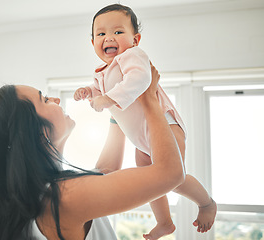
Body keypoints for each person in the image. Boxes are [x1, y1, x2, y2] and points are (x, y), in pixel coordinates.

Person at [0, 65, 185, 240]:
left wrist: (118, 107)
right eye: (45, 100)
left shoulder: (46, 194)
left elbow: (104, 172)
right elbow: (171, 173)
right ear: (32, 131)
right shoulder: (63, 197)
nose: (55, 99)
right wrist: (149, 99)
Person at [74, 4, 217, 239]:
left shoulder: (133, 56)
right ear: (93, 43)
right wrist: (88, 92)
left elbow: (140, 80)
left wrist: (107, 99)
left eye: (118, 32)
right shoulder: (102, 72)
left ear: (135, 39)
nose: (109, 37)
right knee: (151, 179)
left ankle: (206, 203)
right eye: (101, 34)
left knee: (174, 177)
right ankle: (165, 222)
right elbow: (100, 88)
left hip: (164, 124)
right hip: (140, 137)